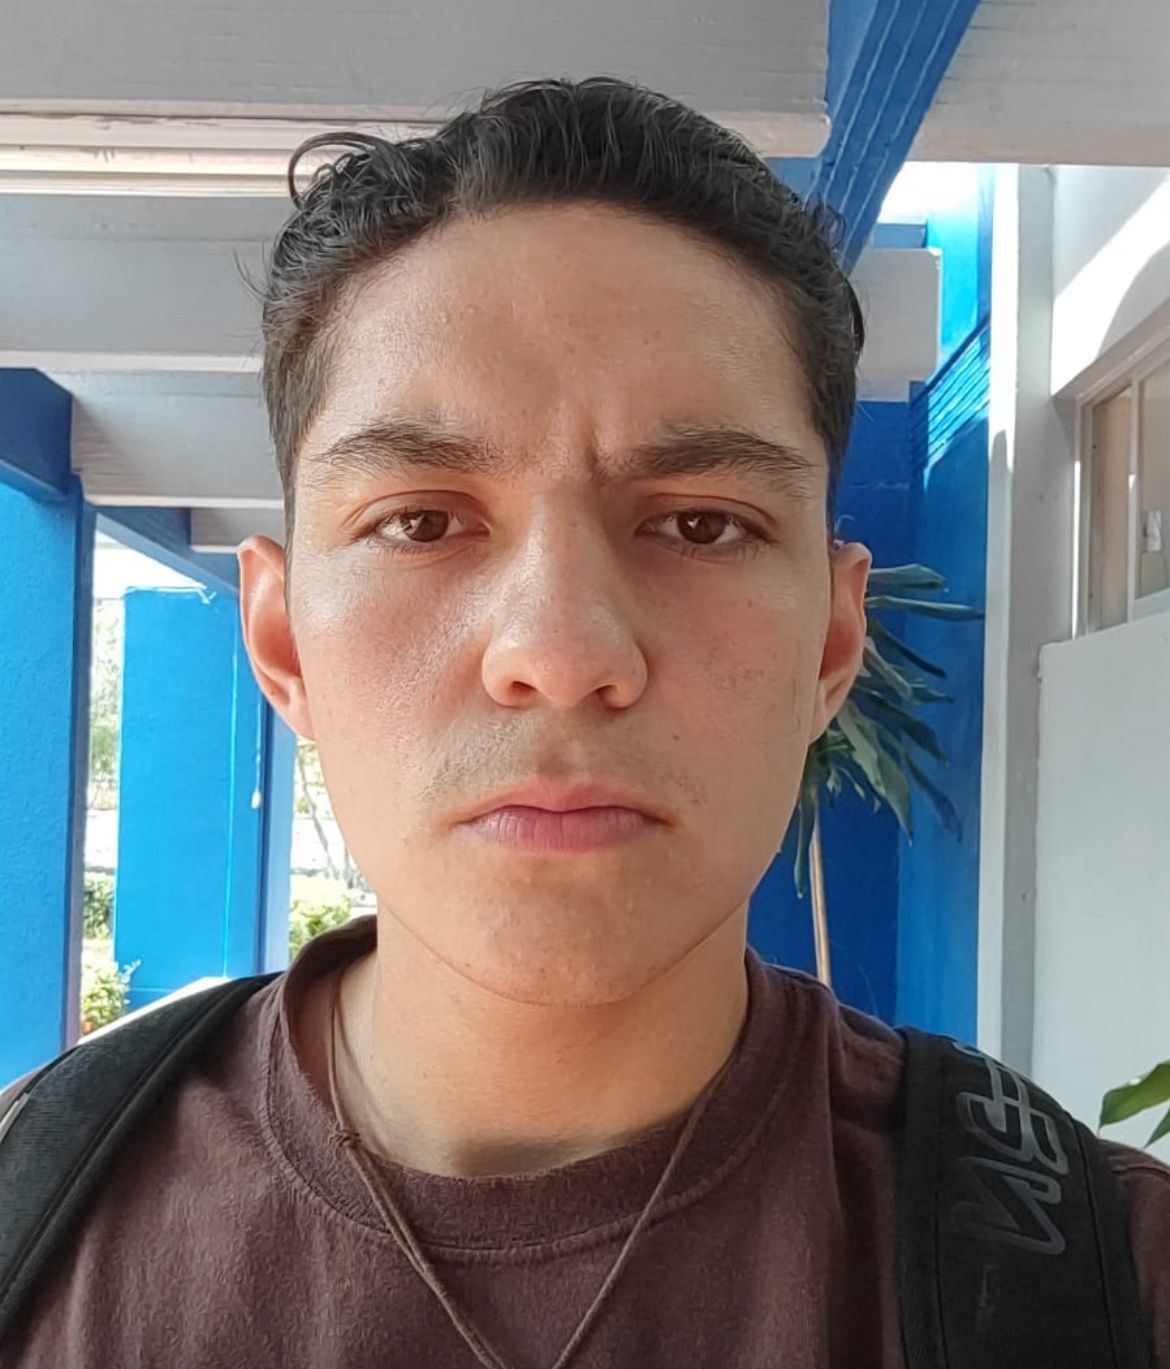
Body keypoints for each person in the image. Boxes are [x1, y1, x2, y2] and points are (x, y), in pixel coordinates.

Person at [3, 76, 1168, 1368]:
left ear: (832, 645)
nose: (560, 655)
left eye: (700, 523)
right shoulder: (33, 1221)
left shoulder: (1109, 1284)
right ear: (282, 642)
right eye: (421, 521)